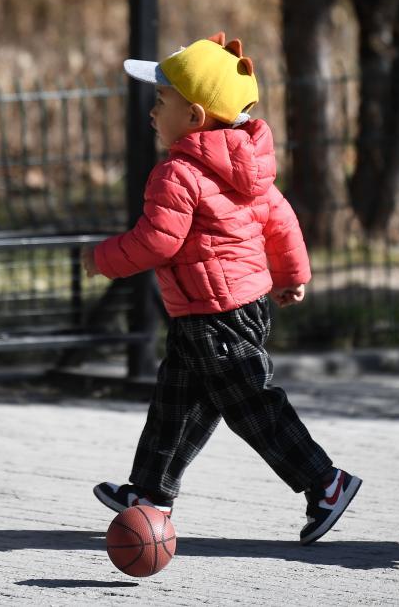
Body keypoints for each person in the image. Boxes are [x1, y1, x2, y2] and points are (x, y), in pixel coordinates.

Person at [83, 33, 361, 545]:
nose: (152, 111)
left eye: (161, 100)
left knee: (249, 402)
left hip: (214, 313)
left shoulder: (177, 172)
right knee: (176, 402)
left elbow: (157, 241)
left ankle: (325, 482)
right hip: (228, 307)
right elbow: (281, 222)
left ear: (193, 116)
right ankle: (149, 493)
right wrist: (292, 276)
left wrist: (103, 259)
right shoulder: (249, 167)